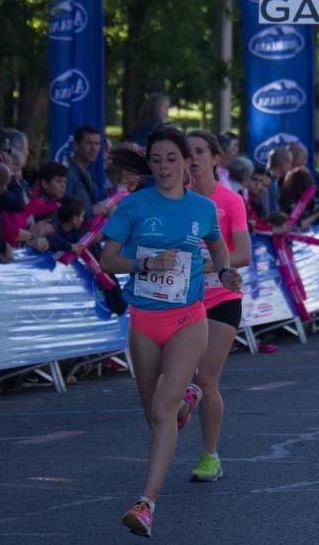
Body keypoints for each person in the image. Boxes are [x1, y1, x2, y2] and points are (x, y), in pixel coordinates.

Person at [99, 125, 242, 538]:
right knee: (156, 414)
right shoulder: (132, 206)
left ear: (187, 163)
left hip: (189, 318)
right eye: (156, 160)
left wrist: (227, 271)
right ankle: (181, 408)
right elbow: (108, 259)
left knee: (162, 409)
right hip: (144, 321)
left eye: (172, 159)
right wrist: (146, 264)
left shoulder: (202, 208)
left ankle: (146, 504)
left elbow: (217, 245)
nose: (164, 167)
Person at [176, 130, 252, 483]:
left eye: (199, 151)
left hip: (222, 296)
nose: (192, 158)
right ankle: (182, 398)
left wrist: (208, 265)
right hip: (185, 298)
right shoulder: (177, 201)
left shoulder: (231, 201)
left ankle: (210, 457)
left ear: (215, 159)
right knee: (184, 378)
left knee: (206, 378)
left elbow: (243, 254)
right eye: (186, 153)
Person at [66, 126, 108, 216]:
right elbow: (63, 213)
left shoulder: (89, 175)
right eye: (88, 143)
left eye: (97, 143)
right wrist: (92, 211)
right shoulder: (66, 174)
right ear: (76, 145)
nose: (94, 148)